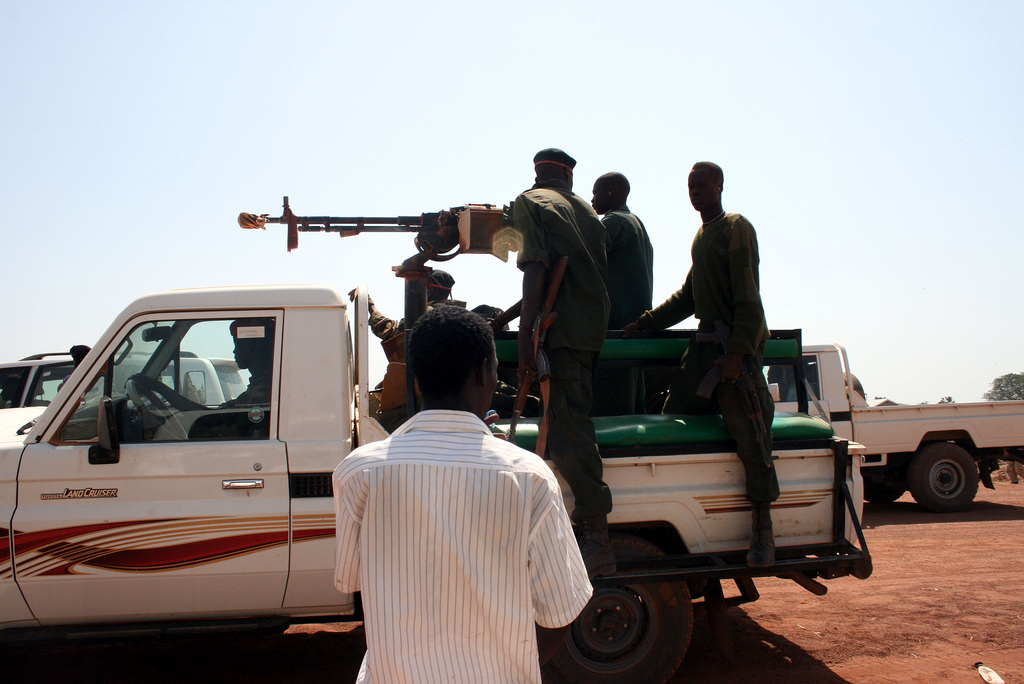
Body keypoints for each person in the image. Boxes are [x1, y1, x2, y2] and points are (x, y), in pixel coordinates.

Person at [333, 306, 592, 683]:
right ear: (483, 372)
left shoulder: (358, 472)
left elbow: (350, 579)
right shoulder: (529, 476)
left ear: (417, 380)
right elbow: (559, 613)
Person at [624, 161, 778, 567]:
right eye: (690, 186)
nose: (695, 191)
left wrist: (740, 354)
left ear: (720, 186)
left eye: (702, 185)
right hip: (705, 348)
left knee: (754, 435)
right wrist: (646, 322)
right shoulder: (703, 235)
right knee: (673, 421)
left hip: (731, 350)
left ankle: (763, 530)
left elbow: (749, 297)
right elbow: (689, 296)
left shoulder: (735, 228)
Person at [514, 148, 615, 577]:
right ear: (569, 178)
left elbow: (536, 269)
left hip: (559, 331)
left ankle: (596, 531)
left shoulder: (530, 202)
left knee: (569, 425)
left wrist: (524, 334)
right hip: (590, 329)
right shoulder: (588, 212)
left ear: (537, 173)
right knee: (571, 417)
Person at [590, 172, 654, 416]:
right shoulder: (637, 224)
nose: (592, 199)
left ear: (610, 192)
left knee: (609, 411)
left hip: (613, 336)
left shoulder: (614, 223)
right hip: (632, 338)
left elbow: (579, 259)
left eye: (596, 192)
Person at [361, 270, 457, 431]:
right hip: (449, 388)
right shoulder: (460, 315)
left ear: (430, 289)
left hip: (424, 388)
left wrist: (370, 308)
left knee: (370, 405)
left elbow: (391, 333)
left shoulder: (424, 313)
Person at [226, 318, 275, 406]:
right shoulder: (266, 382)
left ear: (254, 346)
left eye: (238, 344)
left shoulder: (263, 391)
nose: (234, 351)